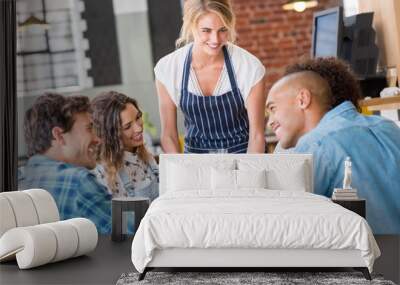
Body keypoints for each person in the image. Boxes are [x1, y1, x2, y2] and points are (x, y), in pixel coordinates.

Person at [266, 58, 400, 234]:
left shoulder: (315, 144)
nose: (270, 122)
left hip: (362, 258)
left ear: (303, 99)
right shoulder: (388, 128)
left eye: (273, 108)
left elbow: (283, 227)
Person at [155, 0, 266, 154]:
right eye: (206, 30)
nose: (215, 39)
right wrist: (184, 173)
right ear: (190, 25)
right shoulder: (167, 69)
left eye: (222, 30)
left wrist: (247, 174)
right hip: (195, 162)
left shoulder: (249, 67)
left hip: (243, 158)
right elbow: (169, 136)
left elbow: (257, 136)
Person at [18, 93, 112, 234]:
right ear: (59, 136)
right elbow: (134, 234)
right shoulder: (79, 183)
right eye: (89, 128)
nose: (98, 139)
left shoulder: (18, 179)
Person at [91, 91, 159, 201]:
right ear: (110, 135)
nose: (139, 129)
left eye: (138, 117)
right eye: (127, 127)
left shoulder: (146, 156)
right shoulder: (105, 173)